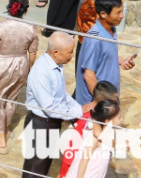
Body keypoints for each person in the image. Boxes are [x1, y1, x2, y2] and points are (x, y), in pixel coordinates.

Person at [21, 31, 94, 178]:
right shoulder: (42, 72)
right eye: (70, 52)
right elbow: (50, 108)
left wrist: (78, 108)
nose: (72, 55)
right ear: (56, 52)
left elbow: (60, 96)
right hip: (41, 125)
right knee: (36, 170)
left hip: (49, 124)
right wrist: (79, 111)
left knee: (41, 167)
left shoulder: (56, 65)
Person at [0, 0, 38, 154]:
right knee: (11, 99)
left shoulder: (1, 26)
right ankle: (2, 129)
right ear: (25, 9)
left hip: (2, 64)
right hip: (21, 64)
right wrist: (29, 69)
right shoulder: (31, 28)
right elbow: (32, 54)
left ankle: (0, 139)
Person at [75, 0, 136, 105]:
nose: (122, 16)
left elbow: (106, 55)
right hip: (97, 104)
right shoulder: (95, 38)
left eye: (121, 11)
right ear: (103, 14)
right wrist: (104, 103)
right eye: (118, 13)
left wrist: (123, 61)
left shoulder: (111, 29)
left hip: (109, 97)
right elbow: (89, 76)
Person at [59, 81, 118, 177]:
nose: (116, 102)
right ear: (105, 101)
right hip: (73, 158)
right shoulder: (91, 117)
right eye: (114, 99)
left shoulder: (90, 111)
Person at [73, 0, 113, 76]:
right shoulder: (97, 0)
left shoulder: (94, 6)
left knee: (84, 74)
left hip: (88, 44)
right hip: (85, 40)